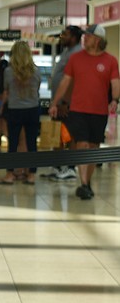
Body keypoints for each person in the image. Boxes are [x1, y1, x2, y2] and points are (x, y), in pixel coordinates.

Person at [49, 24, 120, 199]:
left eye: (88, 36)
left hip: (99, 111)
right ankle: (83, 183)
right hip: (78, 109)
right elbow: (65, 82)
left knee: (94, 147)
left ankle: (87, 181)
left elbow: (115, 83)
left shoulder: (110, 60)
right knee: (82, 144)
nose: (84, 38)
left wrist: (115, 100)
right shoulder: (76, 58)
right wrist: (55, 103)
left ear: (97, 40)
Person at [0, 41, 41, 185]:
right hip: (32, 109)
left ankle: (10, 174)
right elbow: (38, 88)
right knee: (31, 142)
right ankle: (31, 174)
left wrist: (2, 107)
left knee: (13, 143)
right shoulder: (36, 71)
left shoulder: (8, 72)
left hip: (15, 110)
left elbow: (6, 90)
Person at [46, 25, 83, 182]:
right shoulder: (67, 51)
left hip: (67, 103)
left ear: (74, 37)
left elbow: (73, 80)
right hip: (59, 101)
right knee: (58, 134)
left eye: (65, 34)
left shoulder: (77, 53)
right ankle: (58, 166)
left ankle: (70, 168)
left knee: (70, 135)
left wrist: (64, 102)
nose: (62, 36)